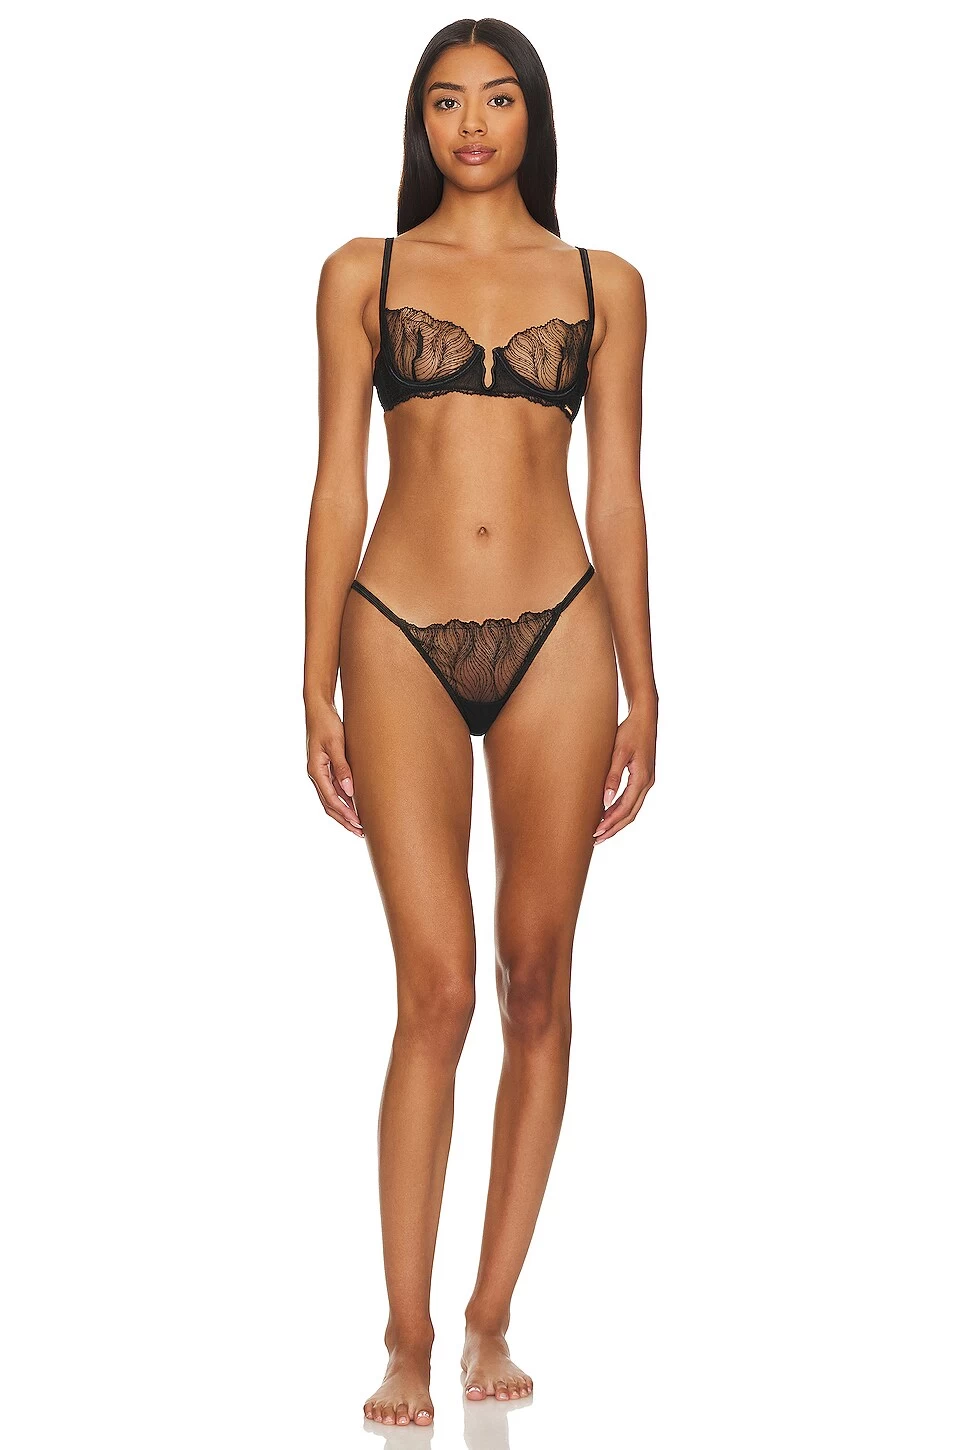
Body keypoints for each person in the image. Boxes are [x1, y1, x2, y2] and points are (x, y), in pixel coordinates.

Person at [303, 16, 657, 1429]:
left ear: (533, 119)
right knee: (437, 988)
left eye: (498, 99)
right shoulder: (364, 272)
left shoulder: (606, 283)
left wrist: (647, 682)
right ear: (420, 123)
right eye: (446, 101)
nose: (471, 123)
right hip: (395, 628)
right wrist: (310, 677)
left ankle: (489, 1310)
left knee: (537, 979)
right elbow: (337, 482)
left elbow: (618, 491)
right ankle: (402, 1333)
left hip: (561, 628)